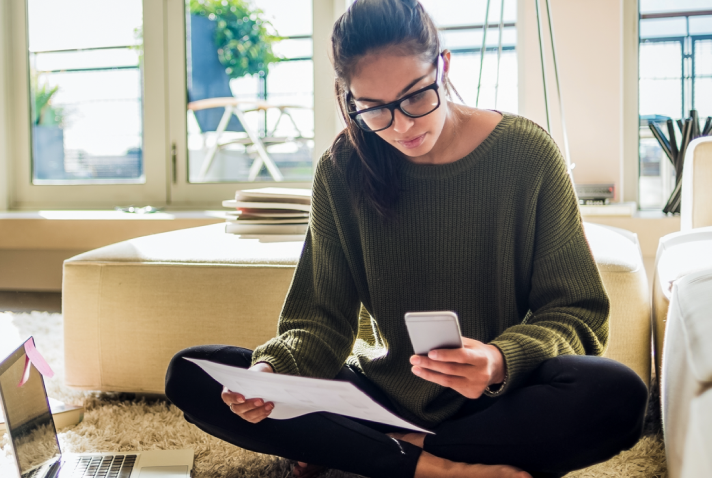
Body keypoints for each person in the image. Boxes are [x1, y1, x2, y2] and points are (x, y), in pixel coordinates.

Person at [165, 1, 648, 477]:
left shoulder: (527, 154)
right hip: (378, 395)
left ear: (443, 66)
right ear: (349, 98)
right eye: (373, 110)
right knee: (192, 373)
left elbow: (577, 312)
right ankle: (433, 466)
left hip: (492, 400)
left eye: (416, 96)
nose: (402, 126)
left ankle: (381, 451)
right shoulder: (341, 170)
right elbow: (321, 321)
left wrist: (500, 360)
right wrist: (271, 375)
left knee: (617, 394)